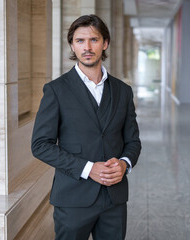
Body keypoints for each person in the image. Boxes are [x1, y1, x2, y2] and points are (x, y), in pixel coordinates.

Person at [31, 14, 141, 240]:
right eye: (80, 41)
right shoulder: (56, 90)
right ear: (72, 45)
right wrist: (88, 168)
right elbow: (40, 145)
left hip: (114, 198)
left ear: (105, 43)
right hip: (72, 198)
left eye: (94, 39)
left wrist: (124, 163)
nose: (87, 47)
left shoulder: (123, 91)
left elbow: (132, 141)